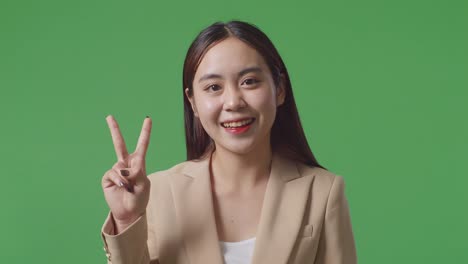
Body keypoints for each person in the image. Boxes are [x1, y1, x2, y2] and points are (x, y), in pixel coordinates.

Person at [100, 20, 357, 264]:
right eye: (213, 87)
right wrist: (126, 220)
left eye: (249, 81)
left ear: (279, 90)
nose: (234, 102)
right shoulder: (159, 193)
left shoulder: (323, 191)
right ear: (193, 103)